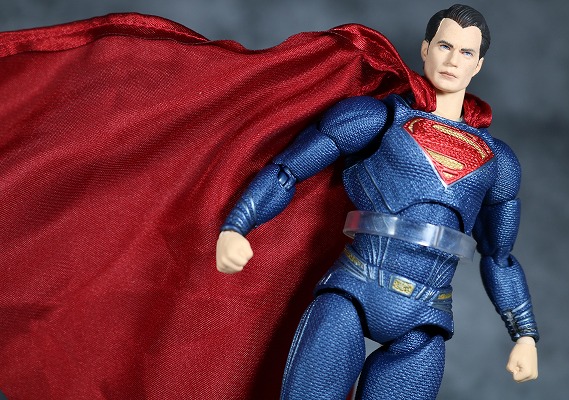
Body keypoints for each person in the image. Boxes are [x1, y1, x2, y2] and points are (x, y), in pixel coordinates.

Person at [216, 4, 538, 399]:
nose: (453, 60)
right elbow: (288, 170)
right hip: (354, 290)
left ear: (478, 64)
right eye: (445, 46)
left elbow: (499, 257)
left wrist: (524, 334)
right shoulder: (378, 119)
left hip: (424, 319)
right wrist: (237, 225)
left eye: (466, 52)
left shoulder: (497, 161)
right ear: (425, 49)